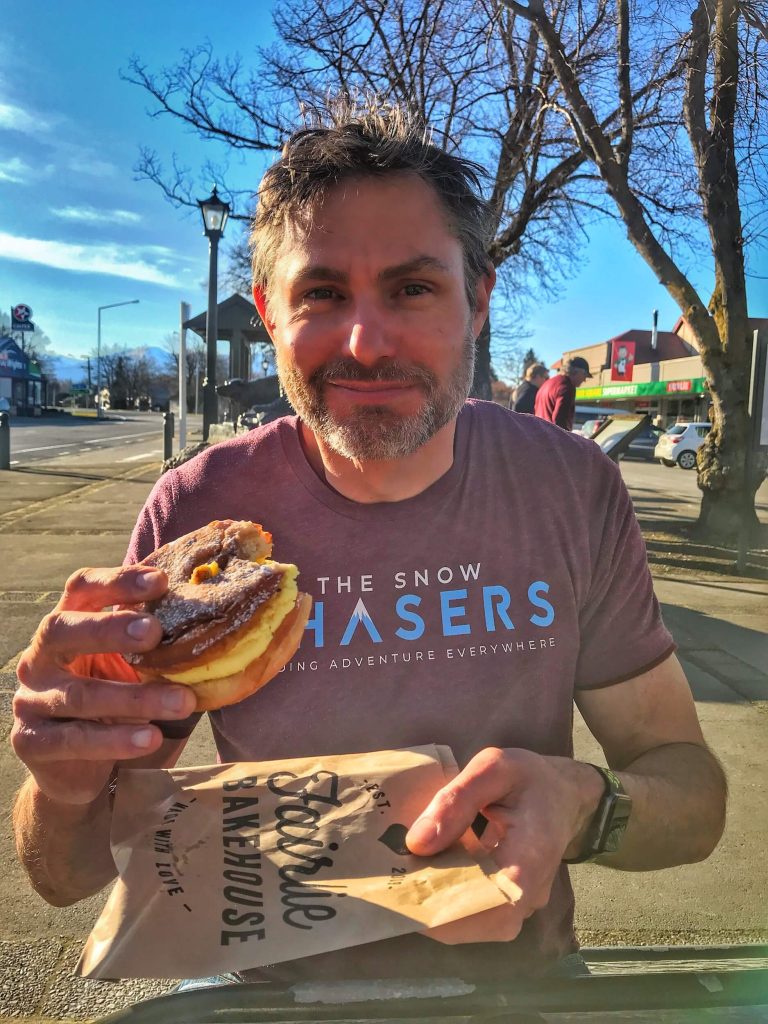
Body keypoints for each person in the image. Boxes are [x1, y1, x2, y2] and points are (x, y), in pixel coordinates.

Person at [11, 101, 726, 987]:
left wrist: (587, 806)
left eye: (412, 288)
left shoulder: (569, 488)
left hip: (522, 992)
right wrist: (63, 781)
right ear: (270, 315)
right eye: (322, 294)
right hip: (273, 1001)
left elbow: (692, 798)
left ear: (479, 300)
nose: (365, 341)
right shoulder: (198, 511)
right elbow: (67, 876)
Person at [534, 356, 592, 430]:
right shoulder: (567, 387)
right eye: (585, 375)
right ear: (577, 371)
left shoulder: (547, 384)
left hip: (538, 434)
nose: (584, 380)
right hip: (552, 438)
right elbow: (560, 422)